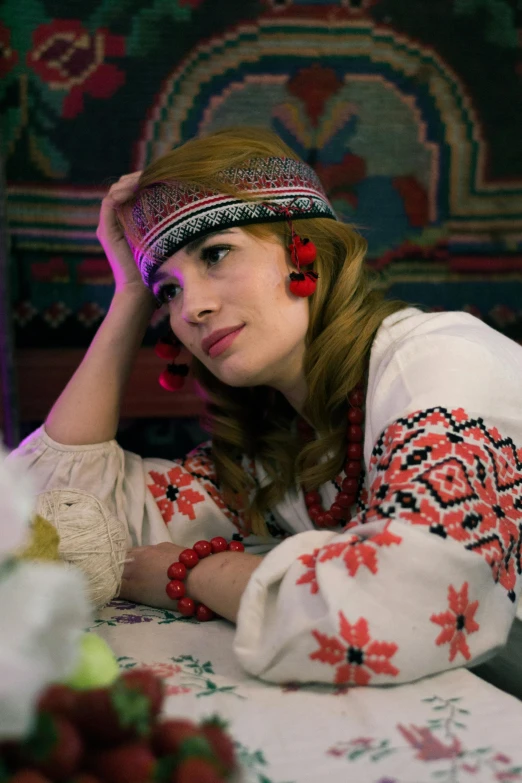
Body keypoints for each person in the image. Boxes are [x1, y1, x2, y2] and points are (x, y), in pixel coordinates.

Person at [9, 127, 522, 689]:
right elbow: (49, 519)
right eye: (169, 292)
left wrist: (190, 572)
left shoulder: (439, 362)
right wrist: (130, 293)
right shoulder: (277, 456)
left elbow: (398, 609)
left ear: (304, 245)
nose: (193, 308)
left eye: (217, 253)